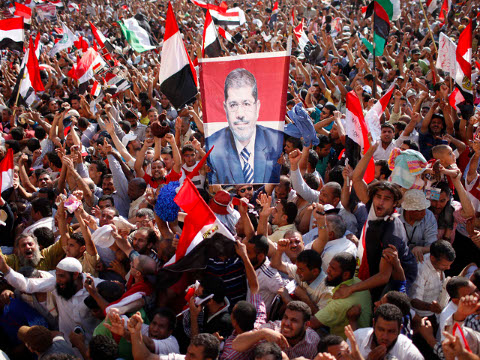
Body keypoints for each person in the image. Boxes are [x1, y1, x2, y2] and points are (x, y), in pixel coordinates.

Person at [206, 68, 283, 184]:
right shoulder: (212, 147)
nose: (240, 114)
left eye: (246, 104)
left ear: (257, 107)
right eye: (233, 105)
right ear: (225, 108)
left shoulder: (276, 142)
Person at [232, 301, 320, 359]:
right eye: (285, 317)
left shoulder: (313, 341)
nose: (287, 323)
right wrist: (262, 333)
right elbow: (236, 345)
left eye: (294, 320)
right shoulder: (270, 330)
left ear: (306, 325)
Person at [350, 304, 424, 359]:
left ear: (400, 329)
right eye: (381, 329)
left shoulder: (407, 351)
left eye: (391, 331)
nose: (385, 336)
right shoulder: (357, 338)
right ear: (373, 324)